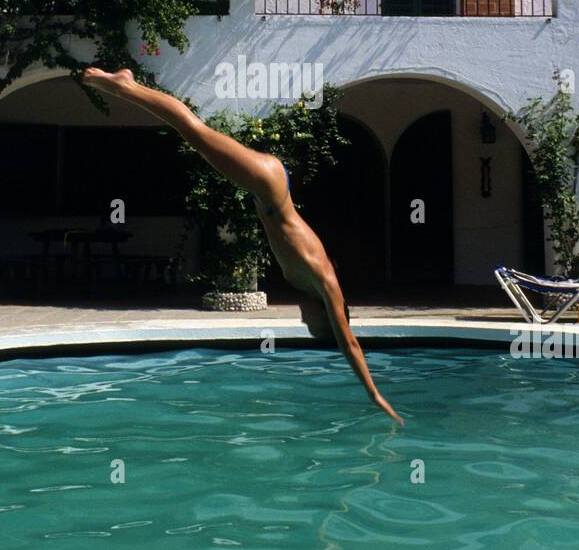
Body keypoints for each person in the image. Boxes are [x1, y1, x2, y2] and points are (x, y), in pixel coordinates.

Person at [82, 67, 403, 423]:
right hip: (269, 187)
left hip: (269, 188)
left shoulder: (311, 285)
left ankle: (128, 87)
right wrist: (374, 393)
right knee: (194, 131)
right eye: (311, 323)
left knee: (196, 134)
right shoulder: (326, 285)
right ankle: (126, 86)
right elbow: (350, 343)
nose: (303, 318)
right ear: (325, 317)